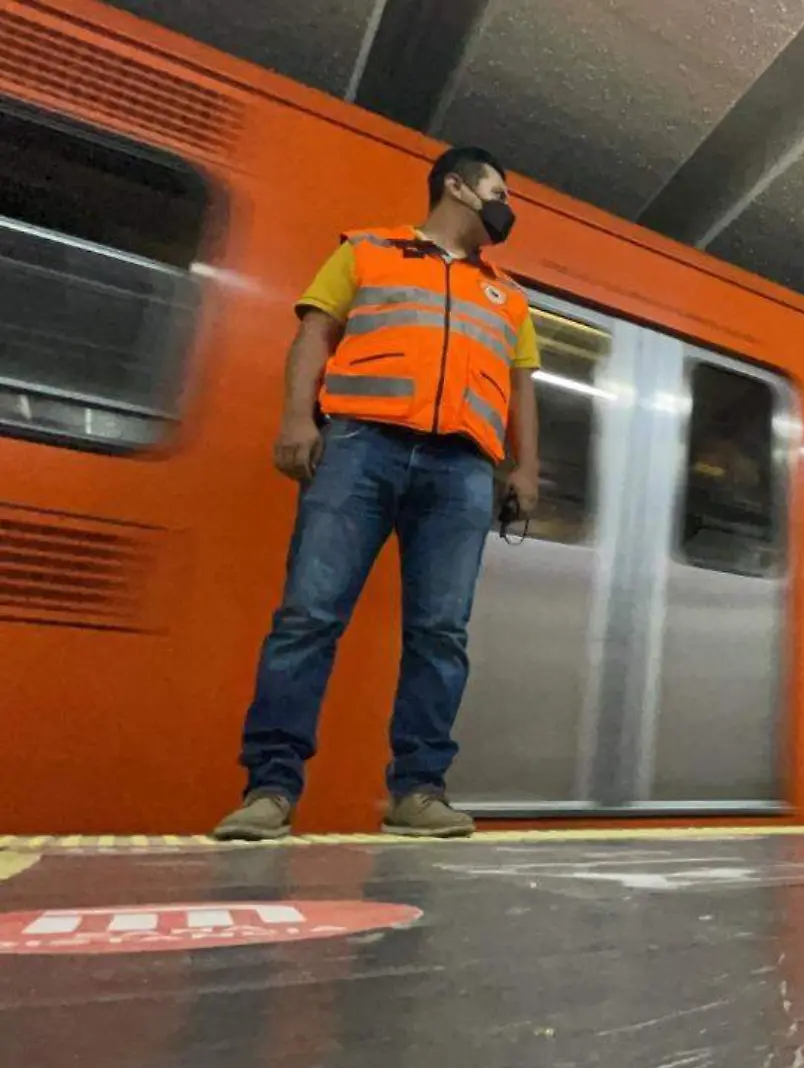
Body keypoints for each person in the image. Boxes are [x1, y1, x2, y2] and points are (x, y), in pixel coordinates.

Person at [212, 147, 542, 841]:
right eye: (498, 188)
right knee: (309, 616)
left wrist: (525, 468)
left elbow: (521, 389)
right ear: (456, 186)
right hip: (360, 449)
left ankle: (418, 791)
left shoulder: (507, 296)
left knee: (441, 634)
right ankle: (270, 788)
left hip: (462, 470)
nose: (506, 205)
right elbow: (313, 334)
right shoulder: (366, 252)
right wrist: (298, 418)